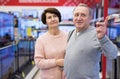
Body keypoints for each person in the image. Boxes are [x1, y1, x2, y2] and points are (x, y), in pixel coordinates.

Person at [64, 3, 118, 79]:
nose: (79, 18)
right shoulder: (71, 33)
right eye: (76, 15)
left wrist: (103, 38)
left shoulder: (97, 34)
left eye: (83, 15)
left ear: (90, 18)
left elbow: (113, 54)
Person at [34, 8, 67, 79]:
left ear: (59, 18)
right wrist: (56, 62)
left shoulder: (68, 36)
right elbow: (38, 62)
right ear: (45, 21)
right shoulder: (41, 40)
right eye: (49, 17)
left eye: (55, 16)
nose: (53, 19)